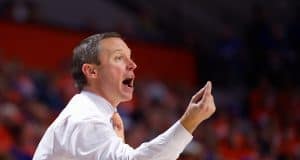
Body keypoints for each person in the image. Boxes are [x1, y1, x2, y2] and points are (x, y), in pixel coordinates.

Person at [33, 32, 216, 160]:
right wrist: (189, 122)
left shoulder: (97, 116)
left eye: (130, 57)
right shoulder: (85, 119)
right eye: (119, 58)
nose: (133, 65)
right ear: (91, 71)